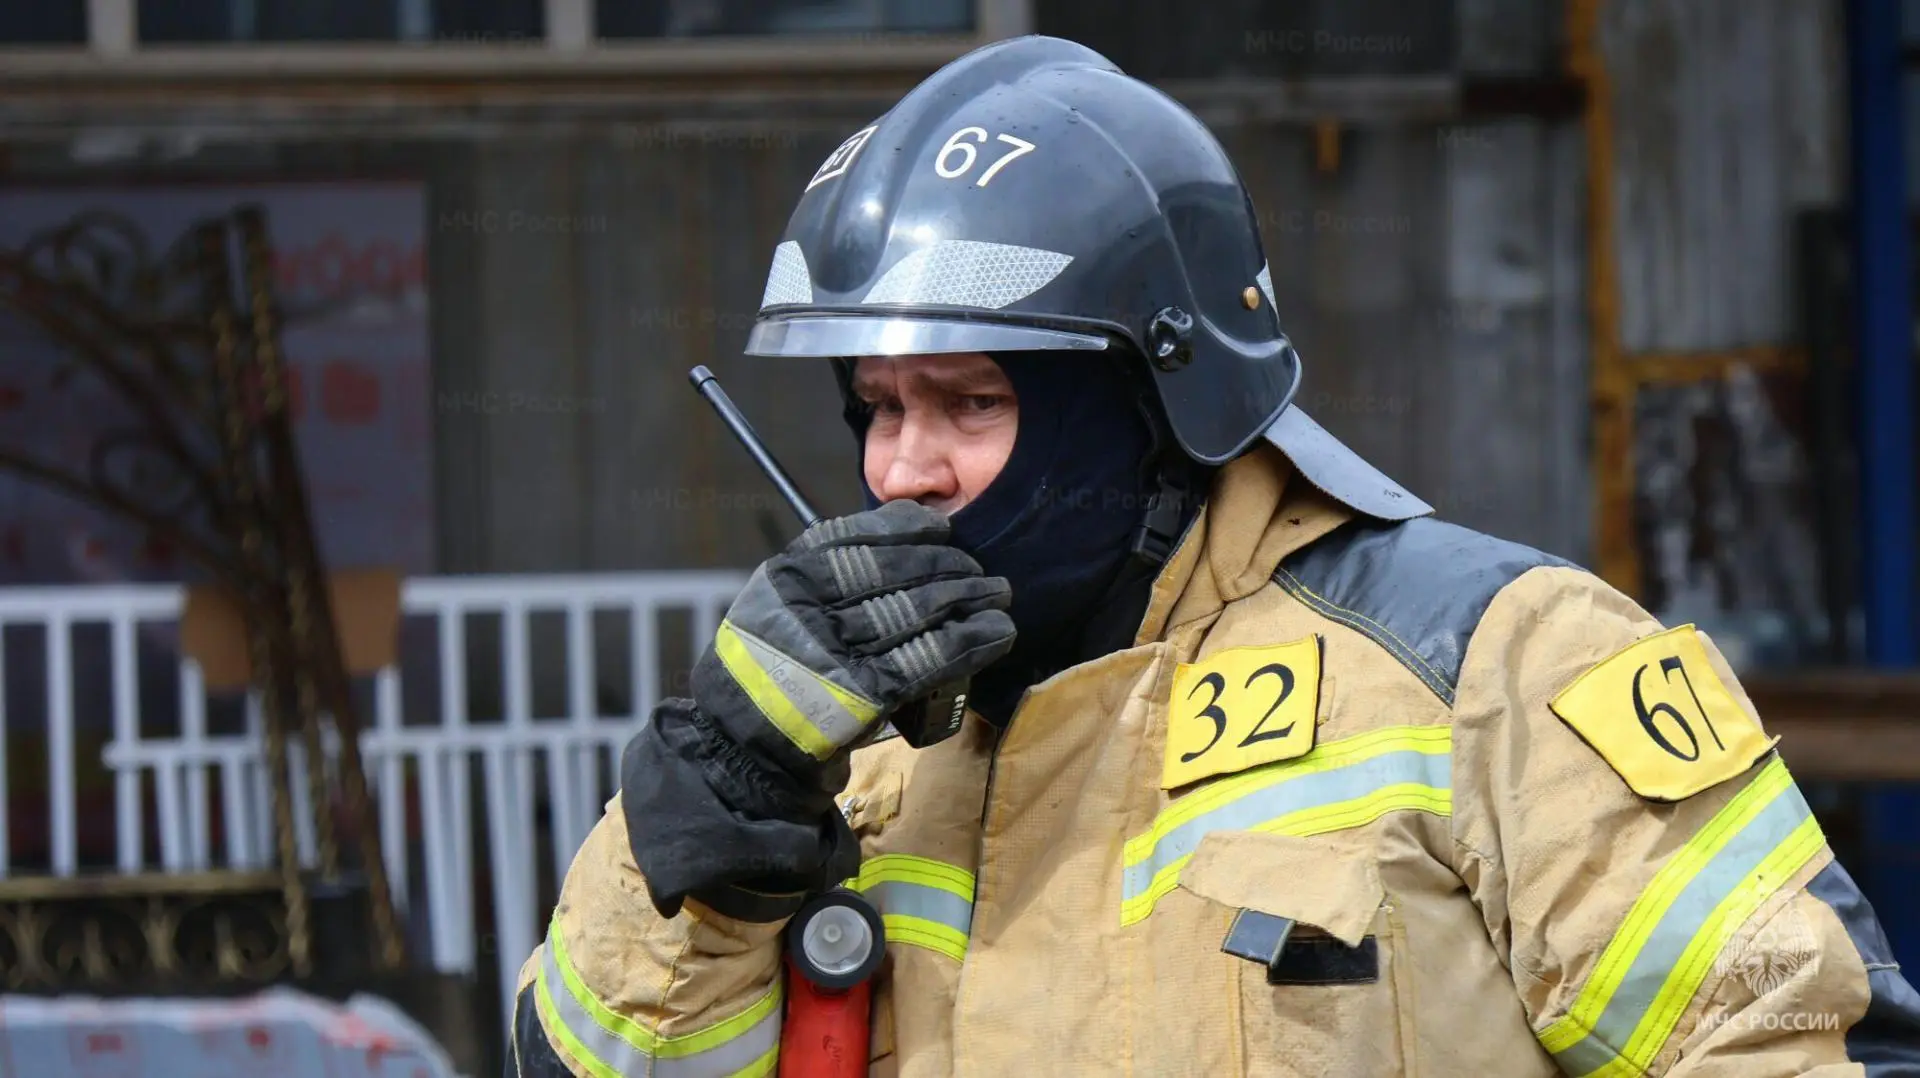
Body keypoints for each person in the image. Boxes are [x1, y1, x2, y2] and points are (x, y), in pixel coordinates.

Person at [508, 35, 1920, 1078]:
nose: (900, 471)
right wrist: (720, 813)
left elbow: (1801, 1047)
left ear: (1154, 401)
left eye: (972, 402)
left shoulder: (1492, 665)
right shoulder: (853, 755)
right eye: (877, 407)